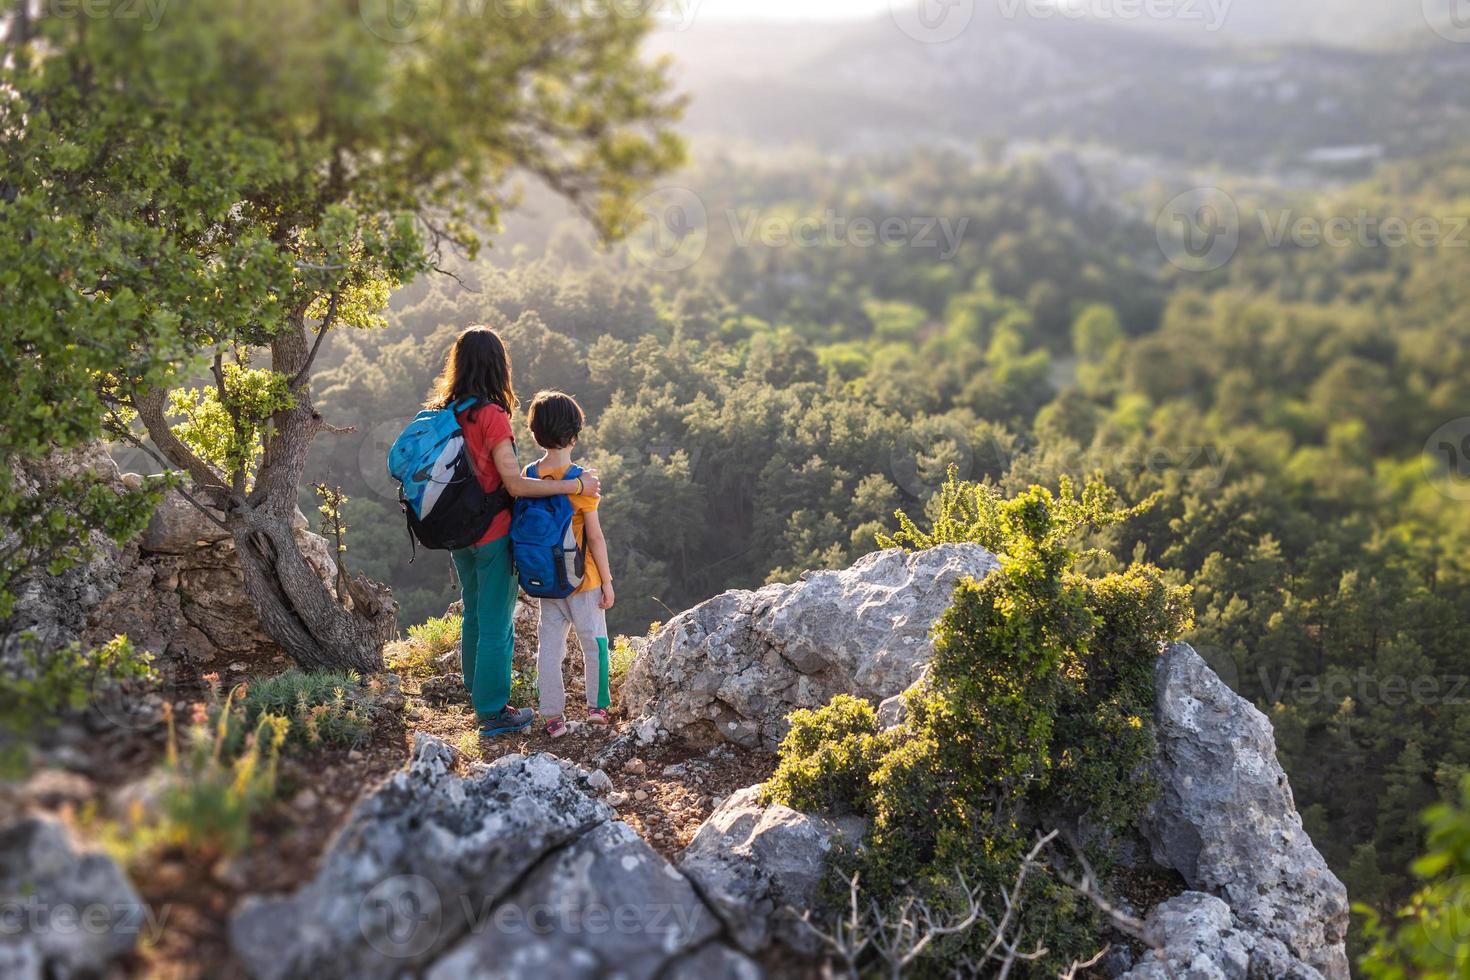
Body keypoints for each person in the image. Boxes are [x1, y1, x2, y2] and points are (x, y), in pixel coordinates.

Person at [424, 326, 600, 737]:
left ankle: (477, 692)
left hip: (456, 532)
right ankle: (492, 712)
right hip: (491, 534)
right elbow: (516, 485)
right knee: (496, 622)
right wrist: (572, 486)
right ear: (497, 366)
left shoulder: (445, 410)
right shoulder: (491, 416)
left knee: (473, 611)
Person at [521, 390, 615, 739]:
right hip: (583, 579)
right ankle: (597, 707)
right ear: (575, 434)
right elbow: (596, 538)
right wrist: (606, 581)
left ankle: (552, 716)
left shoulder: (528, 476)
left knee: (550, 649)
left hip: (545, 580)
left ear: (535, 433)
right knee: (595, 643)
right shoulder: (581, 482)